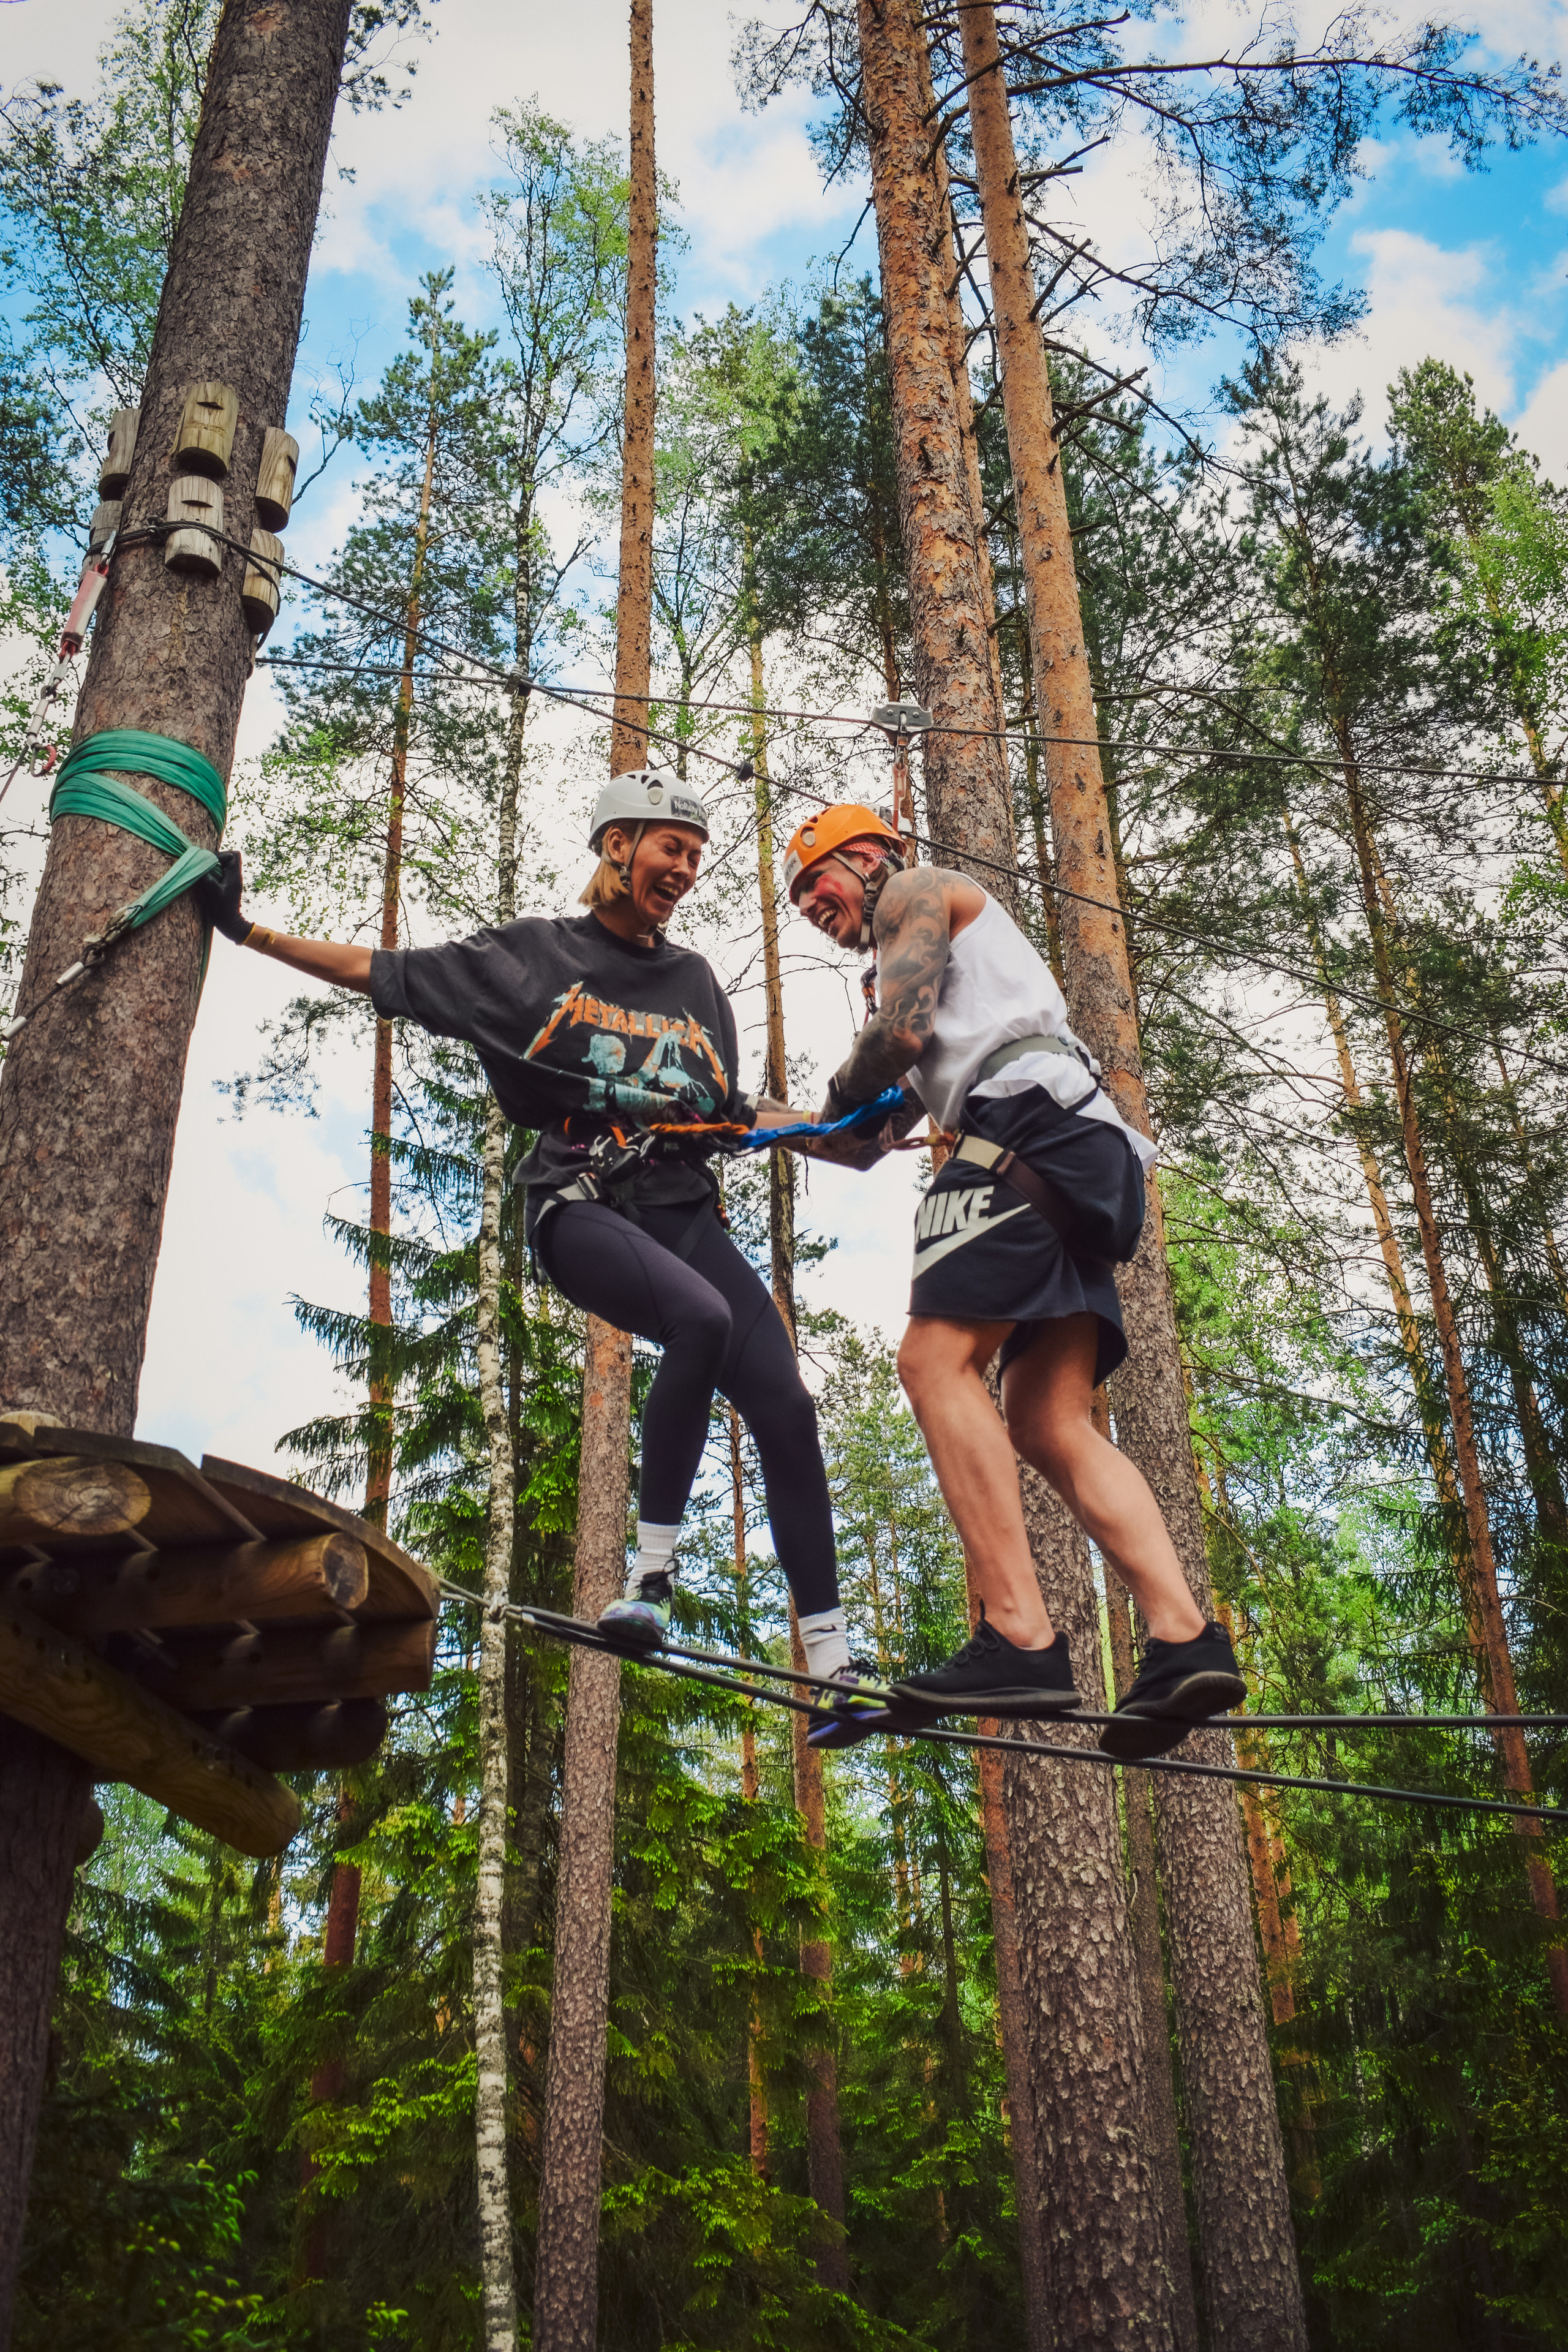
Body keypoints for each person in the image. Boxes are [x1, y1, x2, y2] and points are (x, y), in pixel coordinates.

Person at [194, 769, 889, 1727]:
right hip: (581, 1200)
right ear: (617, 848)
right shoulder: (531, 960)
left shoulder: (695, 985)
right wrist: (247, 932)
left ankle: (833, 1670)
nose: (684, 869)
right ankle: (650, 1581)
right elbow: (383, 973)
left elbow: (734, 1112)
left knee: (786, 1402)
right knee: (702, 1318)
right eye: (668, 849)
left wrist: (860, 1123)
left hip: (681, 1213)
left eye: (694, 856)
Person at [782, 803, 1245, 1757]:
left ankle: (1021, 1636)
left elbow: (896, 1043)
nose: (808, 907)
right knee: (1045, 1419)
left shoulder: (916, 892)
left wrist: (837, 1087)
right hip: (1078, 1149)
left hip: (1024, 1127)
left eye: (815, 883)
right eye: (797, 900)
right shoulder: (918, 968)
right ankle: (1183, 1637)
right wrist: (745, 1117)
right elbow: (859, 1139)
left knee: (933, 1364)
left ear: (867, 859)